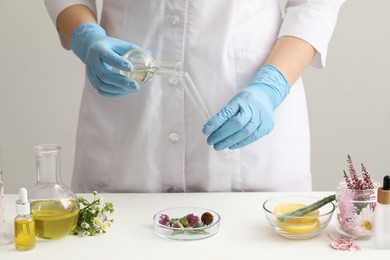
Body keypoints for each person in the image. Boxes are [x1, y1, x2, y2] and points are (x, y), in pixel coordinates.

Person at [45, 1, 345, 193]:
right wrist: (85, 34)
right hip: (129, 130)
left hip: (249, 113)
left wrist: (272, 85)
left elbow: (314, 5)